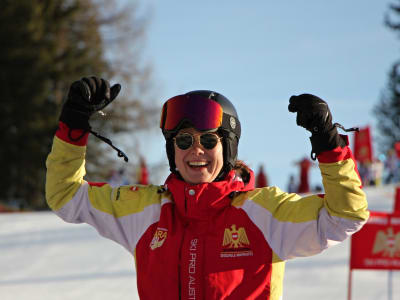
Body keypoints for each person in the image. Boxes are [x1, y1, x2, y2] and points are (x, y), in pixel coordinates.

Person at [46, 76, 369, 300]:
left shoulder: (265, 212)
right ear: (172, 150)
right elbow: (66, 196)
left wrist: (329, 144)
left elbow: (346, 215)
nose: (195, 151)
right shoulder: (143, 211)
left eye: (209, 140)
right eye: (183, 141)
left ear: (227, 148)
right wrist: (73, 127)